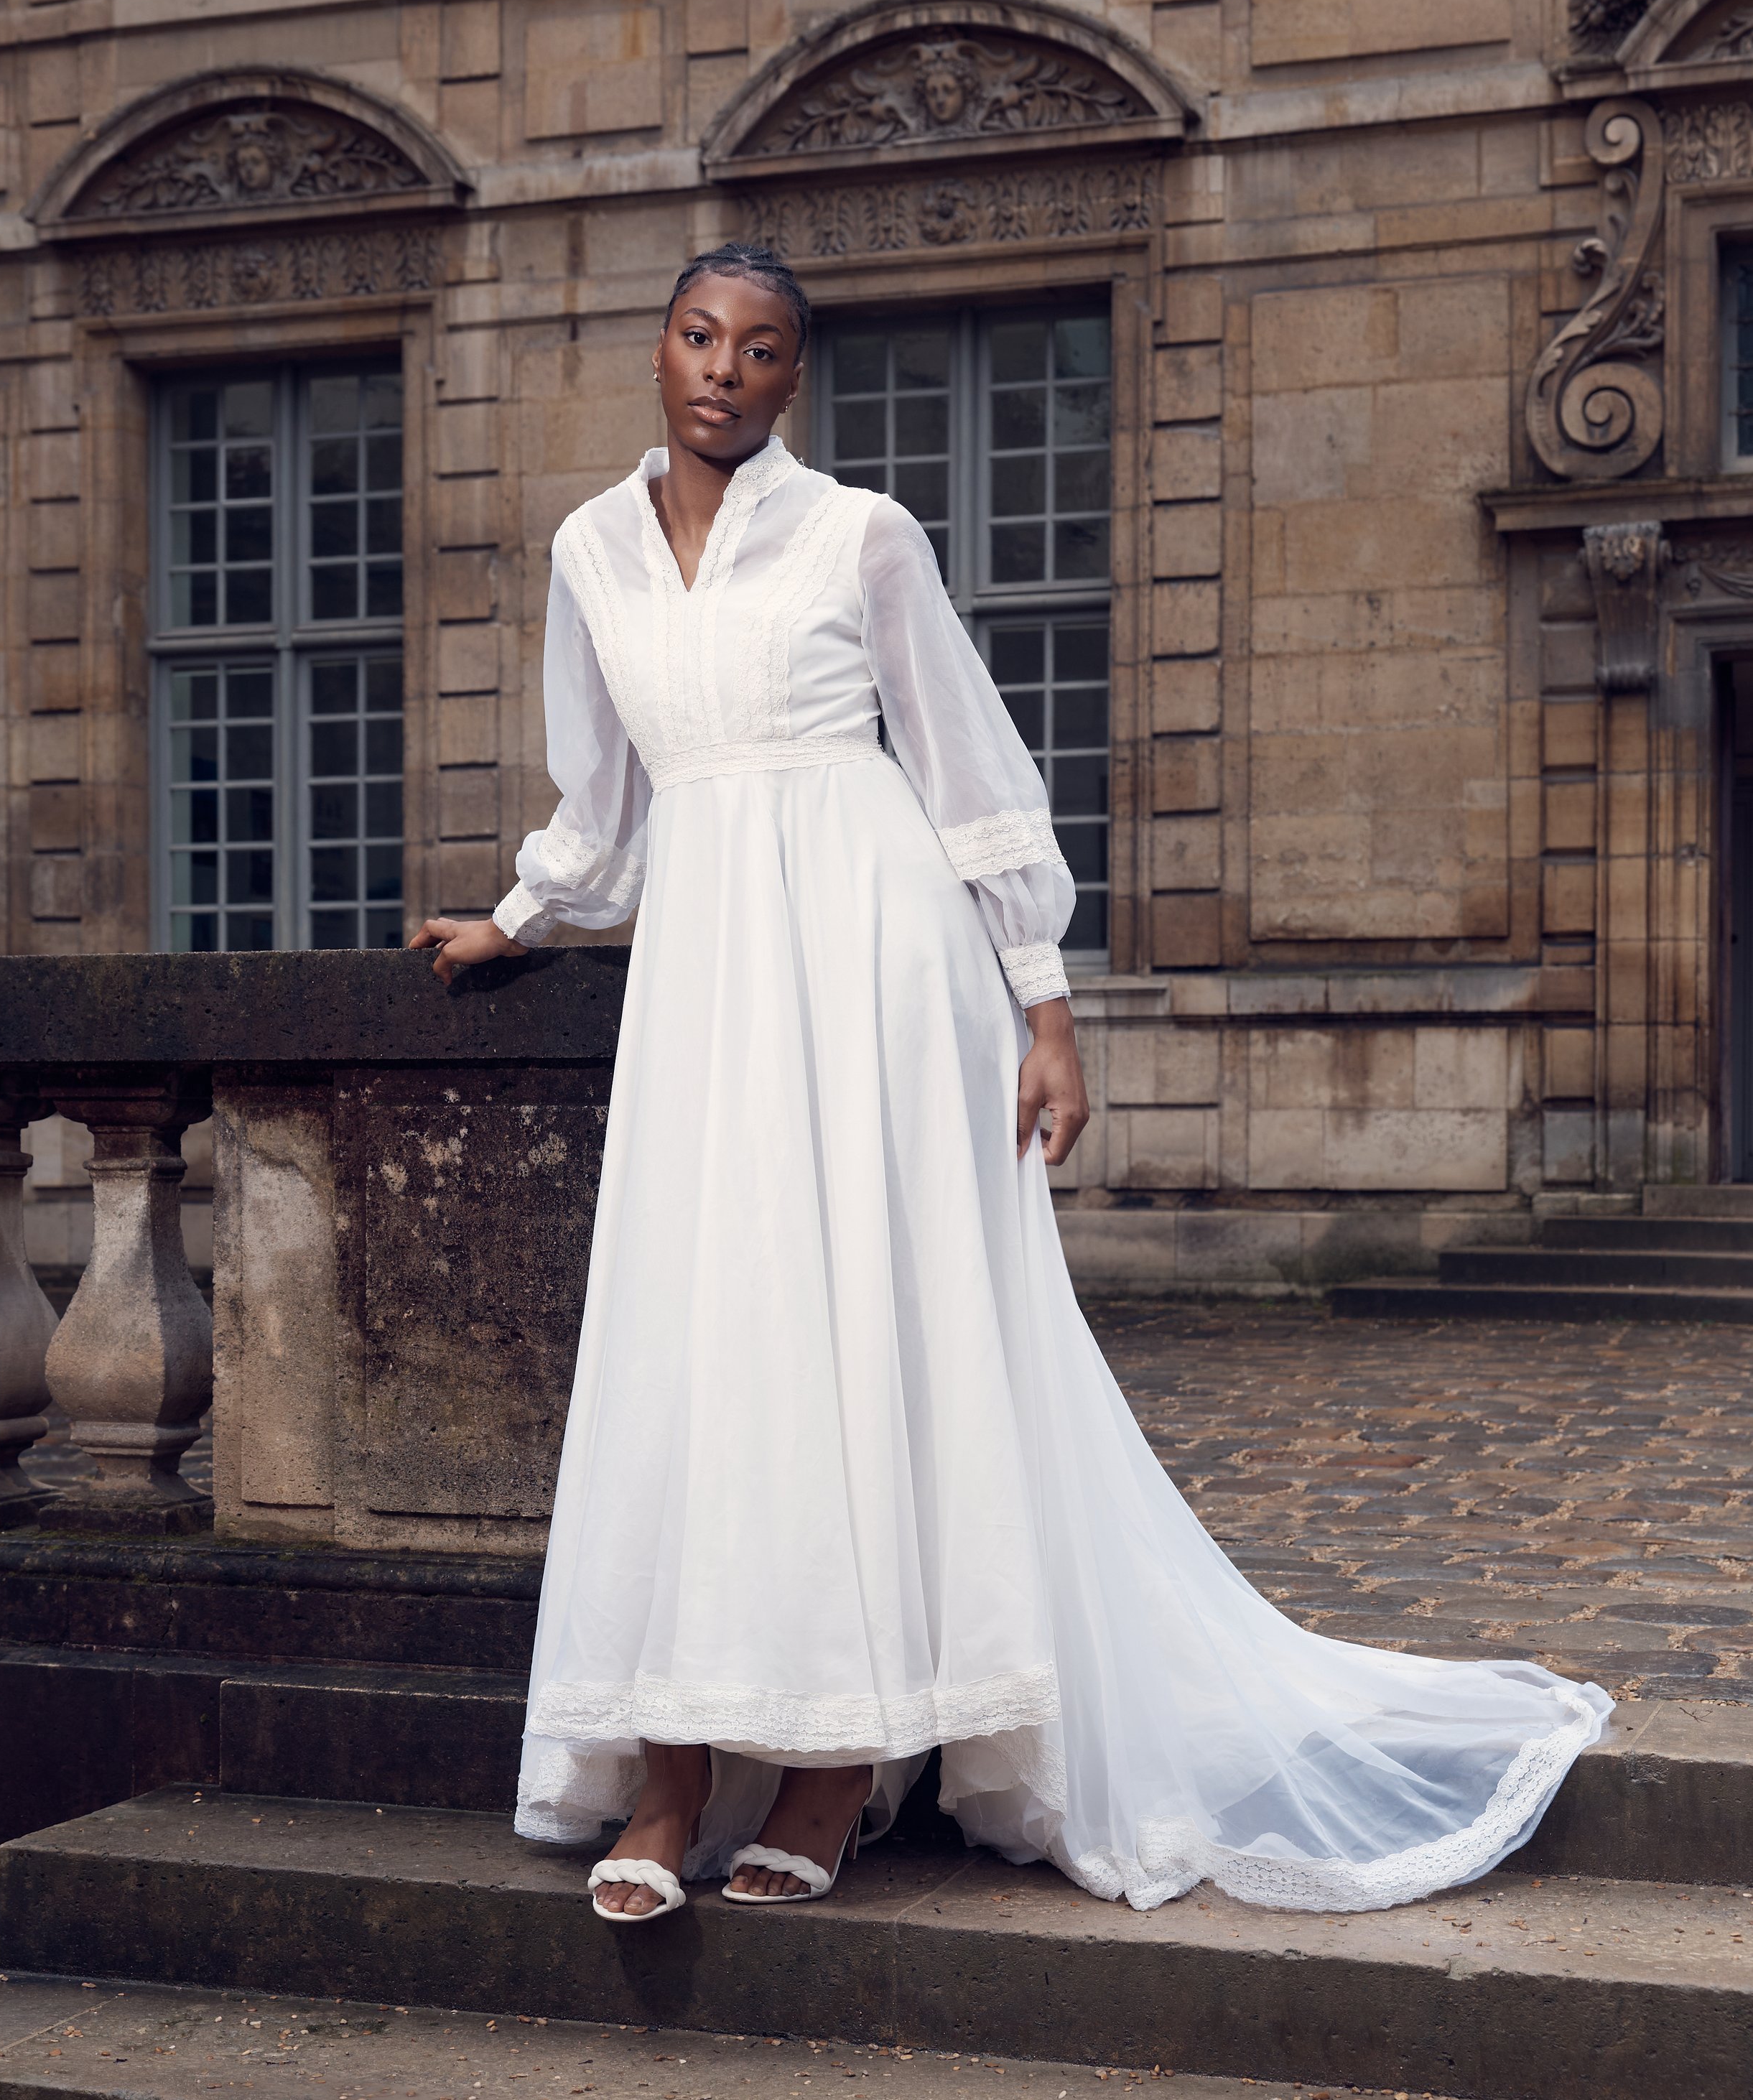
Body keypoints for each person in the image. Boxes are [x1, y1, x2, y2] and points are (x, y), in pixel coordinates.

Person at [410, 243, 1608, 1925]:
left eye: (760, 350)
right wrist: (518, 917)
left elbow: (968, 767)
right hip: (706, 984)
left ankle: (836, 1774)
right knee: (708, 1346)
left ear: (793, 380)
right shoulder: (590, 548)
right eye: (697, 335)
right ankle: (668, 1768)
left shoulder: (861, 535)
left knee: (882, 1336)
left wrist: (1043, 1012)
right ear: (657, 347)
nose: (722, 371)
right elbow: (603, 804)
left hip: (874, 960)